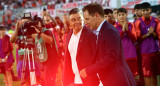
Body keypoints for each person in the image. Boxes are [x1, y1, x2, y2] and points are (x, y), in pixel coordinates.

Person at [80, 3, 136, 86]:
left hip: (117, 80)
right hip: (110, 78)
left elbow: (112, 56)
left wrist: (89, 69)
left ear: (96, 15)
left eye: (87, 19)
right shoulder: (103, 30)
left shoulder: (108, 30)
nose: (86, 23)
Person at [63, 8, 99, 86]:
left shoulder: (91, 35)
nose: (77, 22)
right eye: (73, 20)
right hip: (75, 81)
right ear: (69, 22)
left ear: (83, 19)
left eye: (79, 19)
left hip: (89, 81)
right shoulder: (69, 35)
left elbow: (98, 58)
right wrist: (68, 80)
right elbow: (68, 59)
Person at [134, 2, 160, 86]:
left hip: (155, 50)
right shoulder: (138, 22)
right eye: (143, 10)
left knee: (155, 74)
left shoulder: (156, 20)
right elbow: (138, 38)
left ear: (150, 10)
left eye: (147, 10)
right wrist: (149, 34)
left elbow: (158, 36)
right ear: (141, 11)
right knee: (147, 74)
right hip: (145, 52)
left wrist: (153, 33)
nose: (145, 12)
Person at [114, 8, 138, 77]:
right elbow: (115, 41)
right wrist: (123, 31)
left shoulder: (131, 25)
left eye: (123, 14)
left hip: (132, 55)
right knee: (123, 77)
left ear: (126, 15)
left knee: (133, 77)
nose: (121, 16)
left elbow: (135, 39)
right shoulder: (114, 27)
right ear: (117, 16)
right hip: (120, 57)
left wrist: (127, 31)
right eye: (119, 15)